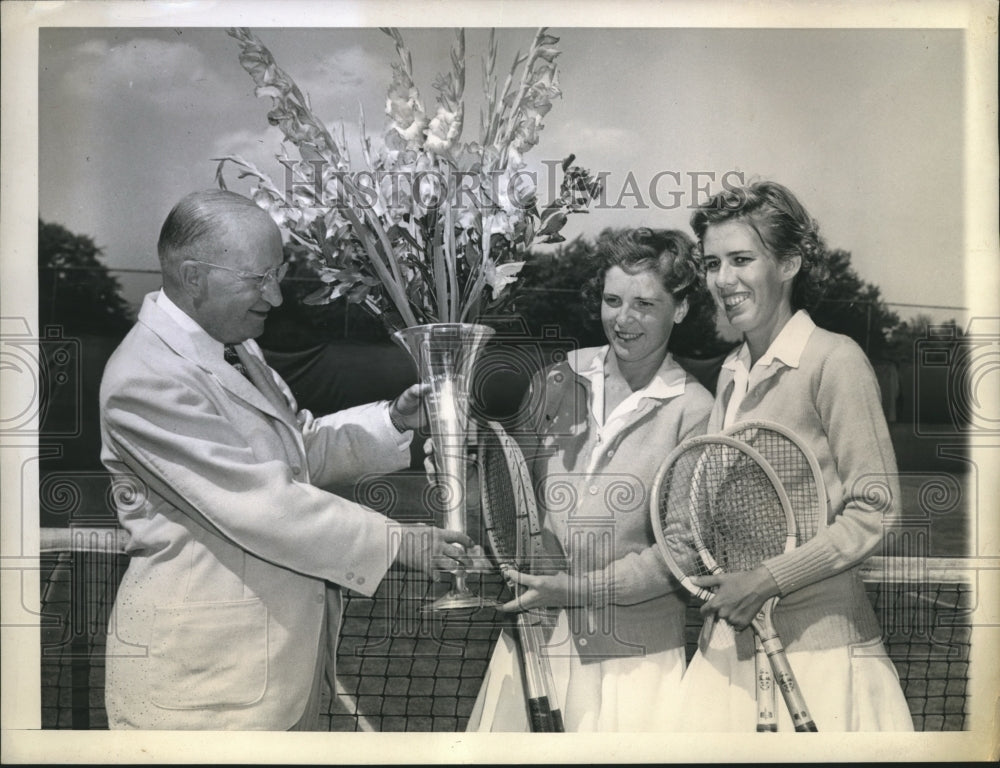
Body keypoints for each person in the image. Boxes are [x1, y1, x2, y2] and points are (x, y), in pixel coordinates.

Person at [99, 189, 472, 730]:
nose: (274, 298)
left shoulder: (240, 351)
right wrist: (400, 542)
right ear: (192, 275)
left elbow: (295, 454)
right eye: (258, 279)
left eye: (276, 275)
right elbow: (259, 503)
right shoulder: (145, 376)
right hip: (200, 695)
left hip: (274, 679)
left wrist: (394, 419)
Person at [675, 180, 913, 731]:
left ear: (789, 264)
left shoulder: (835, 360)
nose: (722, 280)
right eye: (712, 263)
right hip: (729, 653)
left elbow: (876, 510)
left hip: (823, 657)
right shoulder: (731, 375)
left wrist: (766, 580)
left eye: (741, 259)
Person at [469, 228, 716, 731]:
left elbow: (683, 554)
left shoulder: (697, 411)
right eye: (612, 300)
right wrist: (462, 481)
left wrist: (574, 589)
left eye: (645, 304)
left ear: (681, 309)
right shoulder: (556, 379)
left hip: (634, 663)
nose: (624, 320)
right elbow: (507, 505)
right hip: (534, 638)